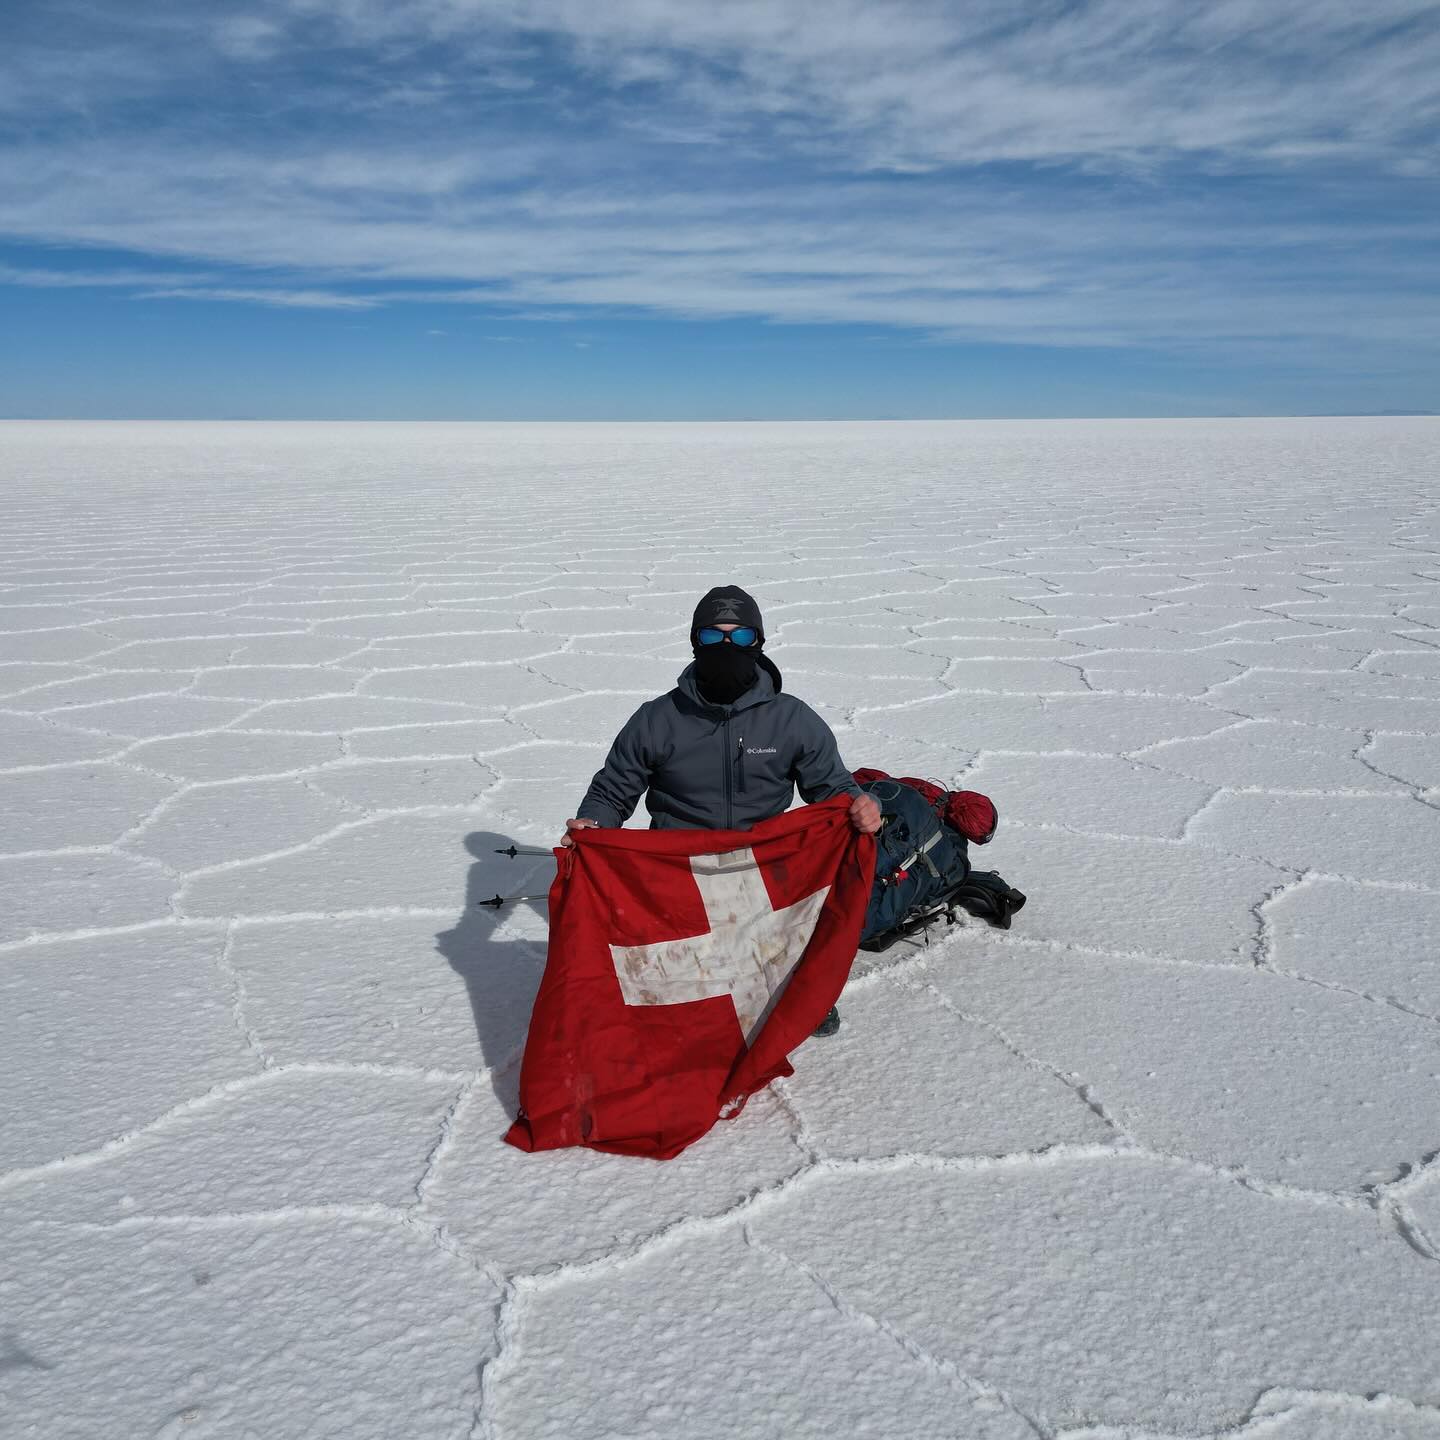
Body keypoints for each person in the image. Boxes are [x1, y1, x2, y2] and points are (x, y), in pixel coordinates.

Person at [561, 585, 881, 1036]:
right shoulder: (657, 719)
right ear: (695, 642)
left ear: (759, 644)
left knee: (794, 924)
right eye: (713, 637)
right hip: (680, 869)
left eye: (741, 637)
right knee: (667, 987)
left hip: (764, 868)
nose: (727, 647)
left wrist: (864, 807)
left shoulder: (791, 719)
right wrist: (593, 824)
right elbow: (613, 791)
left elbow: (834, 790)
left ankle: (795, 988)